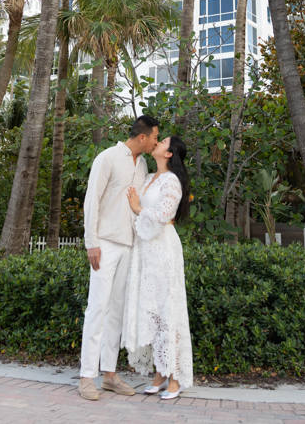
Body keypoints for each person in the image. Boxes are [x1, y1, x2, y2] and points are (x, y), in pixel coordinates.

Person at [79, 115, 159, 402]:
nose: (155, 142)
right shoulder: (108, 157)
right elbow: (92, 200)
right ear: (142, 137)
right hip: (105, 244)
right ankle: (87, 376)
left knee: (117, 312)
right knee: (97, 308)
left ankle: (109, 374)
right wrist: (92, 243)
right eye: (154, 137)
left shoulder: (143, 164)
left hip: (129, 245)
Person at [122, 135, 193, 400]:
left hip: (163, 249)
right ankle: (160, 373)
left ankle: (175, 377)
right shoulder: (150, 176)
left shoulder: (171, 181)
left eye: (162, 141)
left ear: (169, 154)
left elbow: (164, 215)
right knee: (152, 312)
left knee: (167, 311)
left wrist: (138, 208)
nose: (157, 142)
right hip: (145, 251)